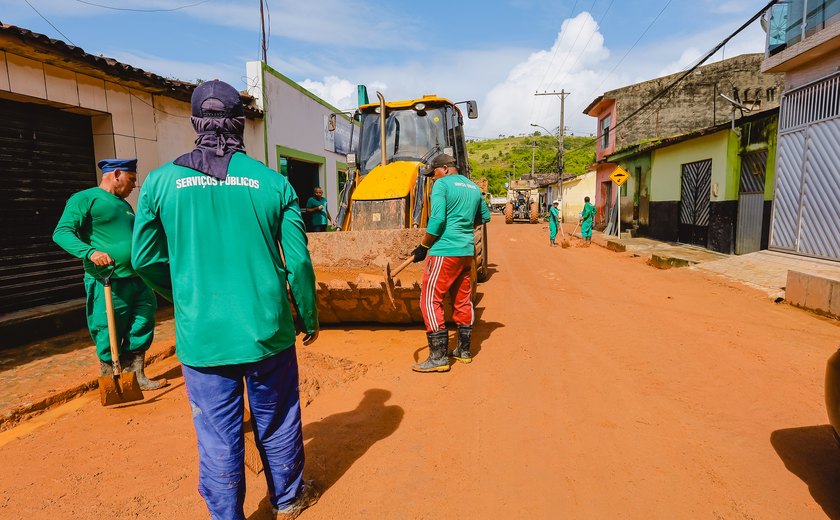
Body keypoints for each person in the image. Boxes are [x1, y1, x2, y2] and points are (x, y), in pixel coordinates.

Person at [131, 80, 320, 520]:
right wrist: (308, 315)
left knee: (217, 435)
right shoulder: (274, 185)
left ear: (196, 121)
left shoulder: (159, 184)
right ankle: (289, 499)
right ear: (239, 123)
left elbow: (143, 259)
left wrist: (186, 295)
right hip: (267, 333)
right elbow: (299, 264)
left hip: (203, 339)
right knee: (278, 419)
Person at [53, 158, 166, 391]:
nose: (135, 185)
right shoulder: (85, 198)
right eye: (131, 179)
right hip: (107, 280)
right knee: (108, 328)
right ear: (116, 174)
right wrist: (90, 252)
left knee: (143, 323)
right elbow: (61, 232)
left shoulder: (125, 205)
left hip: (138, 279)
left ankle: (136, 375)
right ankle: (111, 379)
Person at [410, 153, 491, 373]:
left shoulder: (442, 185)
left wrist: (424, 247)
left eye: (433, 173)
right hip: (466, 252)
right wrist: (463, 225)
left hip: (445, 250)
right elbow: (484, 216)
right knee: (462, 300)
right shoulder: (473, 187)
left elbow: (437, 220)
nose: (432, 178)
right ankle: (464, 352)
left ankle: (438, 358)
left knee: (429, 301)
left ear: (445, 168)